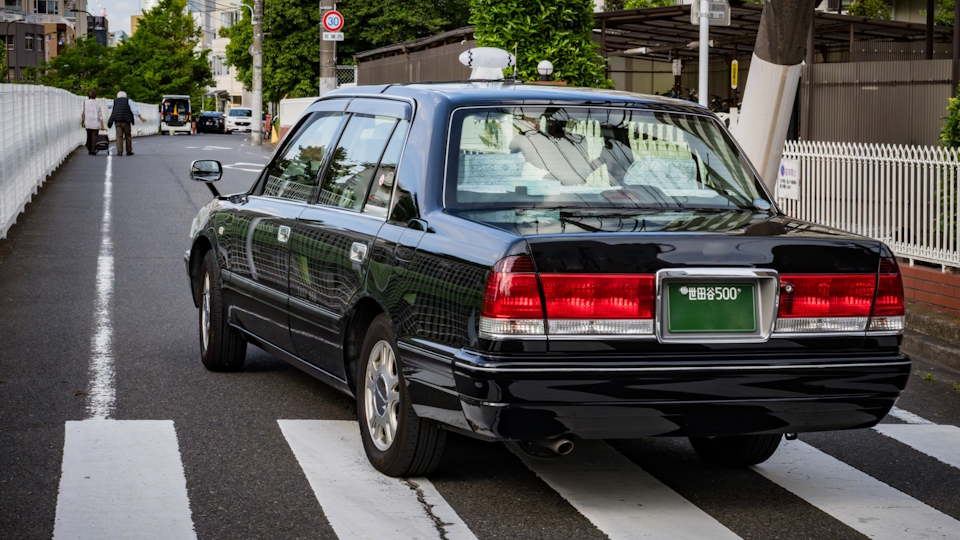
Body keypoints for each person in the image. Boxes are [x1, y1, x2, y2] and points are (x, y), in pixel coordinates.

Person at [107, 91, 145, 156]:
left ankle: (119, 151)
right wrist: (140, 117)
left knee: (119, 136)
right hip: (126, 121)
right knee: (128, 136)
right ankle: (128, 151)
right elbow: (134, 110)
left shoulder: (115, 101)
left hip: (117, 120)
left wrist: (110, 101)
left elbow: (109, 105)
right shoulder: (129, 101)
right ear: (125, 96)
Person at [82, 89, 103, 155]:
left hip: (87, 121)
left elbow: (83, 113)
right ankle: (93, 149)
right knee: (94, 136)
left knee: (88, 135)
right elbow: (100, 114)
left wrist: (83, 121)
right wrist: (102, 124)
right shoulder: (97, 103)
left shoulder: (85, 102)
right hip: (95, 122)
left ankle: (89, 147)